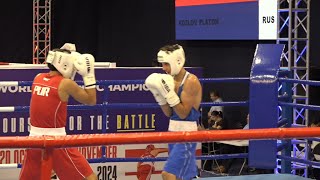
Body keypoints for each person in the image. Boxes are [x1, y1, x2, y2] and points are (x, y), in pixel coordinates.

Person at [19, 43, 98, 180]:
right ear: (65, 64)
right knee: (90, 178)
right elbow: (91, 100)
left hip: (34, 141)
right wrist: (89, 75)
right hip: (56, 142)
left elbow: (55, 91)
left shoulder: (37, 78)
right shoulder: (65, 84)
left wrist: (63, 54)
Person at [145, 44, 202, 180]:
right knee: (183, 176)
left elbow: (183, 114)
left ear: (177, 61)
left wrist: (168, 93)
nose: (164, 68)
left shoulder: (190, 81)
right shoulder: (169, 80)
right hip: (173, 132)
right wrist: (159, 96)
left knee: (168, 174)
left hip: (187, 135)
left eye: (166, 64)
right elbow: (169, 114)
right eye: (162, 64)